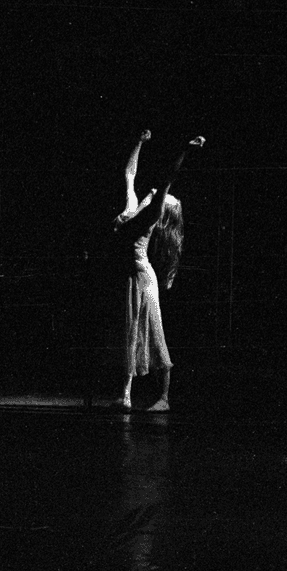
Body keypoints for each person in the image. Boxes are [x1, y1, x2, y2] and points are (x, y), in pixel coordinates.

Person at [112, 131, 205, 411]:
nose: (156, 191)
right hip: (132, 277)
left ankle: (164, 398)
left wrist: (184, 150)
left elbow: (167, 179)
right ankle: (126, 395)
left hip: (143, 279)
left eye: (166, 197)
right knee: (131, 335)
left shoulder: (148, 218)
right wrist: (138, 143)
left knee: (153, 334)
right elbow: (129, 174)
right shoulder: (132, 209)